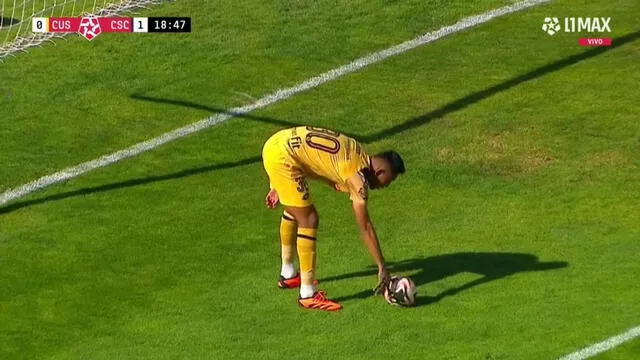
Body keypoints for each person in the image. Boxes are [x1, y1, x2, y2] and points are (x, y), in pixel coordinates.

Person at [262, 126, 405, 311]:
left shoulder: (356, 149)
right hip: (284, 158)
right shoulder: (357, 179)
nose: (386, 186)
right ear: (381, 173)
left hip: (277, 143)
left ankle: (288, 273)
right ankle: (308, 294)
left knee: (295, 210)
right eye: (390, 181)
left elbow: (311, 151)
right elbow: (365, 227)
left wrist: (277, 183)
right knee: (309, 219)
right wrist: (382, 266)